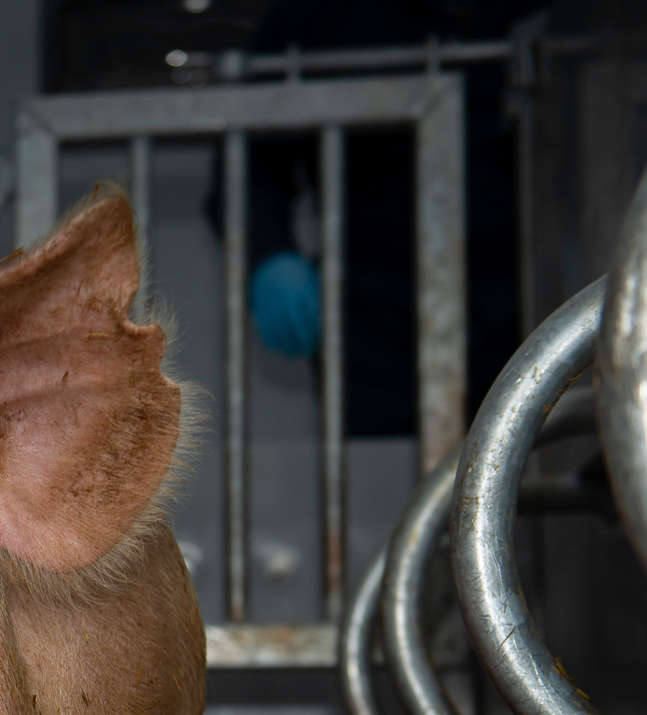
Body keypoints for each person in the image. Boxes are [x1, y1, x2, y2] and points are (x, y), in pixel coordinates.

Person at [209, 0, 545, 438]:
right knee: (390, 489)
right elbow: (247, 165)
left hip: (533, 295)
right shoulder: (315, 19)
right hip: (376, 320)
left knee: (547, 465)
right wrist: (270, 256)